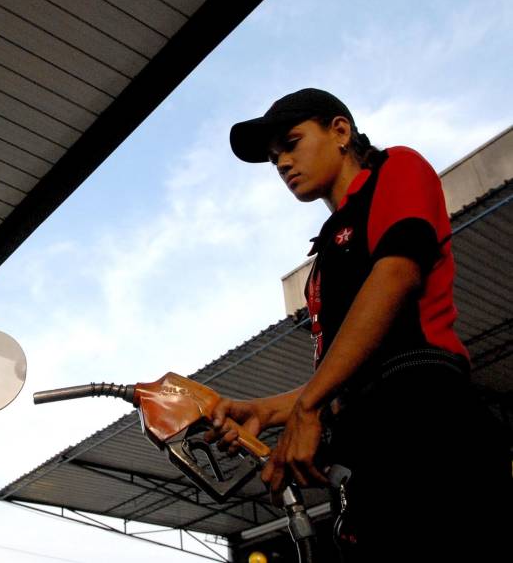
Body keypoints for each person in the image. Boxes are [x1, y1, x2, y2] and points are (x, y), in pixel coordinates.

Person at [205, 89, 510, 561]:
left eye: (291, 142)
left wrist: (307, 408)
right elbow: (350, 375)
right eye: (273, 158)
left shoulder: (397, 168)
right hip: (370, 444)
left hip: (428, 422)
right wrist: (267, 410)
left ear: (340, 131)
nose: (283, 163)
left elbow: (396, 274)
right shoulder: (324, 257)